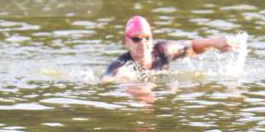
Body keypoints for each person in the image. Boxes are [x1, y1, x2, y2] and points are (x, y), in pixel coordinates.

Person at [100, 15, 236, 82]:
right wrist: (115, 80)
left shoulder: (163, 51)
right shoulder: (121, 65)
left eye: (147, 37)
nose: (143, 42)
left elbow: (193, 46)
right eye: (136, 38)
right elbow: (105, 80)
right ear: (127, 42)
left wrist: (214, 42)